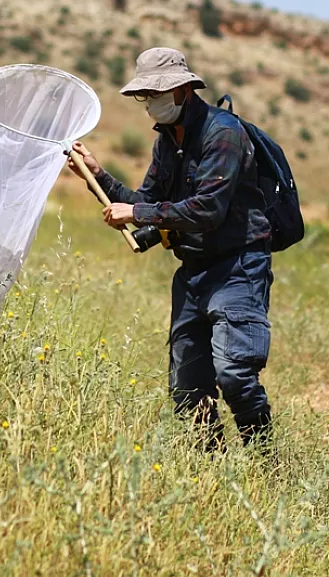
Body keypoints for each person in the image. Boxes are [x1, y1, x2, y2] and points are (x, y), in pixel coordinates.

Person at [67, 47, 275, 453]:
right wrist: (98, 176)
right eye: (145, 95)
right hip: (193, 272)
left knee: (234, 375)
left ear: (183, 89)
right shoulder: (166, 143)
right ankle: (213, 476)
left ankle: (265, 462)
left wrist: (139, 211)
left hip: (238, 268)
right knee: (186, 391)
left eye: (156, 93)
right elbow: (145, 206)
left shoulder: (224, 133)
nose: (150, 103)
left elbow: (207, 209)